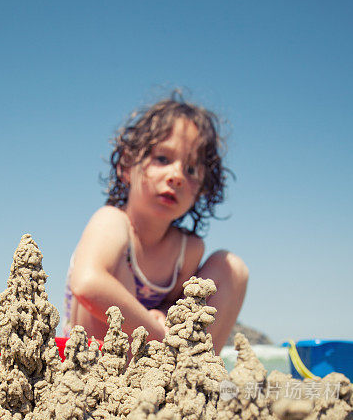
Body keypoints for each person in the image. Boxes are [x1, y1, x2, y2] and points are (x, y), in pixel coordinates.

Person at [63, 93, 248, 354]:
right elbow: (88, 284)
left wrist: (161, 313)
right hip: (96, 360)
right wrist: (159, 332)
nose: (176, 176)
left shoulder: (188, 250)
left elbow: (174, 306)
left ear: (202, 190)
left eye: (192, 170)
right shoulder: (112, 221)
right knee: (114, 273)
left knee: (233, 268)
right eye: (162, 159)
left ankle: (194, 374)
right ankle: (120, 381)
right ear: (127, 165)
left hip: (153, 361)